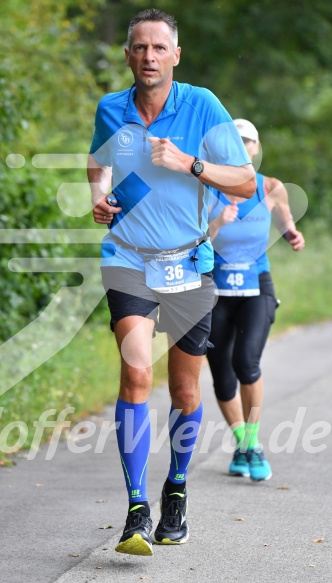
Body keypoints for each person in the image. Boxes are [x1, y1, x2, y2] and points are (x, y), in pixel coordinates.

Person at [87, 9, 255, 557]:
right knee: (136, 371)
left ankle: (175, 490)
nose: (149, 57)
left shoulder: (202, 106)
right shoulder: (111, 109)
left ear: (175, 56)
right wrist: (100, 193)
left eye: (160, 48)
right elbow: (98, 162)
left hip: (188, 263)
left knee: (184, 389)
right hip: (129, 258)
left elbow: (246, 180)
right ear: (128, 54)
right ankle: (137, 507)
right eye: (140, 47)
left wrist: (191, 164)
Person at [207, 118, 305, 482]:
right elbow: (196, 237)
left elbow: (284, 221)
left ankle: (253, 444)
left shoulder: (271, 187)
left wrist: (292, 234)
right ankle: (242, 443)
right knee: (221, 376)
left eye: (246, 141)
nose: (240, 146)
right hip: (216, 291)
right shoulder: (207, 189)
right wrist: (217, 222)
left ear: (254, 149)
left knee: (246, 362)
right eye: (234, 140)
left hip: (255, 288)